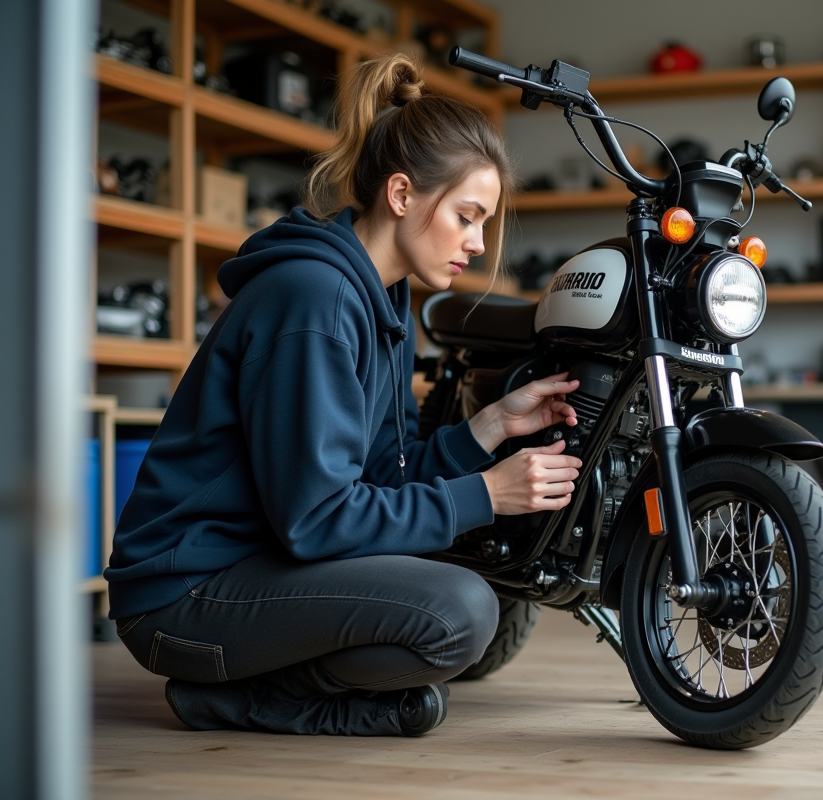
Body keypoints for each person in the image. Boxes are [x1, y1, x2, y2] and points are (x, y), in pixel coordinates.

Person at [104, 52, 583, 737]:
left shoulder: (382, 298)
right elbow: (317, 519)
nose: (478, 244)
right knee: (459, 611)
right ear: (401, 195)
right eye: (467, 217)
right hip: (183, 598)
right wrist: (487, 494)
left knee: (462, 570)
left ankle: (251, 681)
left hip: (256, 566)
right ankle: (239, 695)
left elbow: (382, 473)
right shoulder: (314, 301)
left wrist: (489, 429)